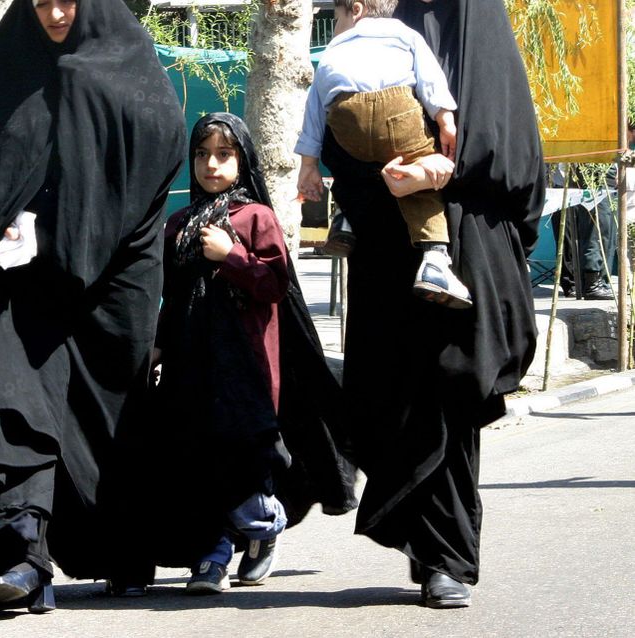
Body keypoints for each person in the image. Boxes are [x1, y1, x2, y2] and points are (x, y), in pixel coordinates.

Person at [0, 0, 186, 613]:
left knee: (113, 417)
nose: (53, 12)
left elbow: (156, 156)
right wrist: (2, 221)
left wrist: (65, 234)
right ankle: (24, 553)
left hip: (116, 280)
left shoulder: (129, 65)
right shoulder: (10, 64)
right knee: (16, 400)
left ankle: (125, 551)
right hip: (29, 284)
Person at [320, 0, 544, 608]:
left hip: (466, 244)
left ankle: (450, 556)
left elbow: (512, 150)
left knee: (449, 391)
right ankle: (425, 546)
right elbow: (343, 122)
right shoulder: (379, 30)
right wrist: (373, 167)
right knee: (393, 394)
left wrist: (445, 171)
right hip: (387, 249)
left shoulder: (480, 33)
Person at [144, 112, 357, 595]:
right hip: (190, 364)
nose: (211, 165)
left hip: (246, 365)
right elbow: (172, 297)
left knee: (241, 456)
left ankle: (264, 528)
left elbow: (276, 286)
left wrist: (232, 255)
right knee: (197, 458)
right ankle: (213, 556)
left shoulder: (255, 218)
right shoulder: (178, 224)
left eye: (223, 154)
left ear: (242, 161)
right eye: (202, 154)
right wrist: (157, 346)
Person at [296, 0, 471, 309]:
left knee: (353, 167)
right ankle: (434, 259)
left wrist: (308, 164)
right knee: (418, 175)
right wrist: (445, 121)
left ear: (357, 10)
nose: (335, 27)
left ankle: (345, 220)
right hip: (396, 113)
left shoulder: (332, 52)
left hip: (346, 119)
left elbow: (314, 113)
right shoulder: (406, 35)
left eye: (336, 18)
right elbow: (431, 80)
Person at [550, 163, 617, 300]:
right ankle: (592, 283)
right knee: (597, 230)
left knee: (605, 232)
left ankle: (600, 281)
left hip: (602, 171)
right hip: (592, 171)